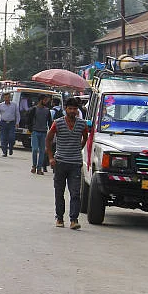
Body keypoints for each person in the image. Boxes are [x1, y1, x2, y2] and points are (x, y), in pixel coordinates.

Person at [47, 97, 89, 230]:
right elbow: (48, 140)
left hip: (75, 164)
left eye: (75, 109)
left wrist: (77, 150)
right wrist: (51, 158)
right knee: (59, 192)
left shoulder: (82, 124)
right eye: (70, 108)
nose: (72, 111)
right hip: (60, 163)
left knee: (75, 193)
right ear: (66, 109)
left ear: (77, 111)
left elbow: (85, 139)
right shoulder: (57, 123)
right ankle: (59, 217)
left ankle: (74, 220)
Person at [30, 96, 52, 174]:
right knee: (35, 149)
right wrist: (31, 129)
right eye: (45, 100)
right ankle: (34, 166)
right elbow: (29, 119)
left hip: (43, 132)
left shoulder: (47, 111)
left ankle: (39, 168)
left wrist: (51, 132)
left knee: (42, 151)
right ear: (40, 100)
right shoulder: (34, 109)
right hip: (35, 131)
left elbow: (50, 122)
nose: (46, 102)